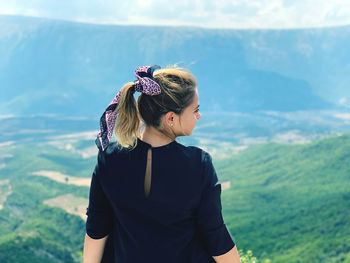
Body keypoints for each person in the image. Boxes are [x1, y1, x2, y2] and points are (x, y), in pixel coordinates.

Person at [83, 65, 242, 263]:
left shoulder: (109, 157)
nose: (198, 116)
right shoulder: (198, 164)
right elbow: (216, 237)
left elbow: (97, 229)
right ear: (171, 118)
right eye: (195, 110)